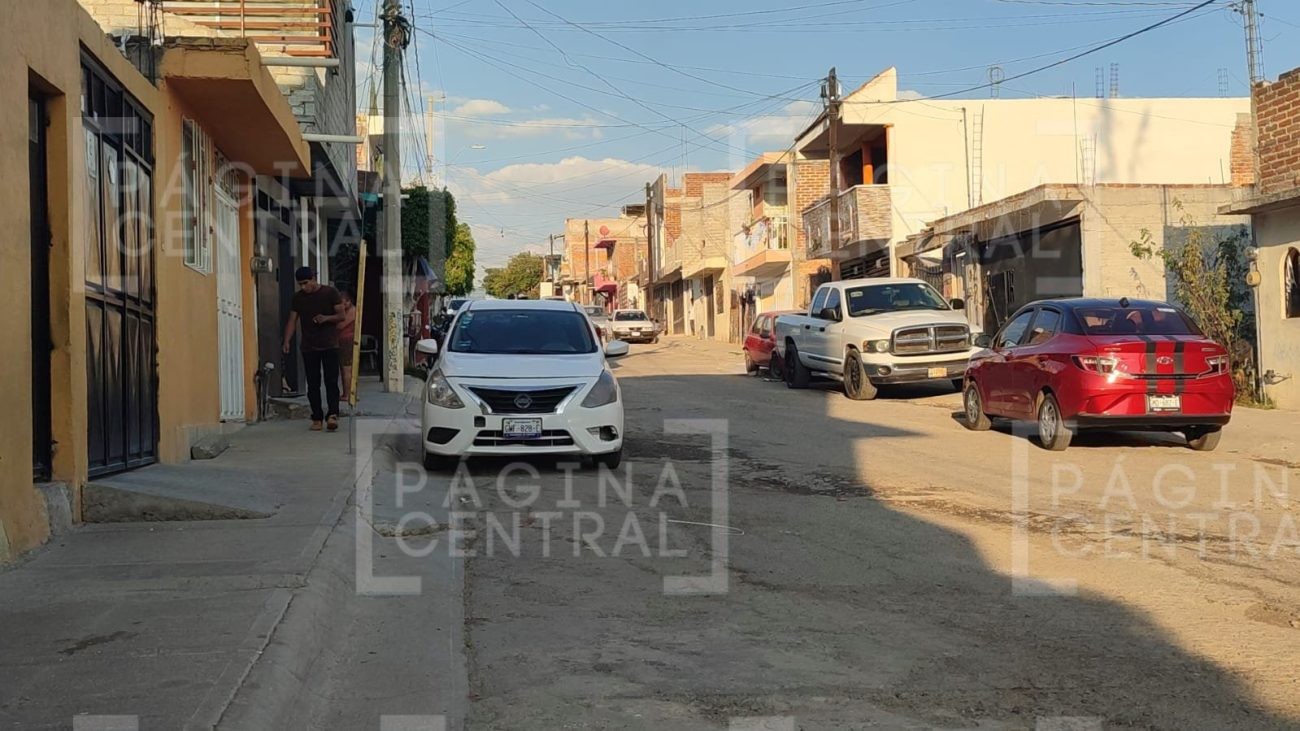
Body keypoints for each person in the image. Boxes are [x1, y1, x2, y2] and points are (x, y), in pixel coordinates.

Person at [282, 267, 345, 432]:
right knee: (313, 383)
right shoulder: (298, 298)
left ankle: (333, 414)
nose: (303, 287)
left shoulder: (330, 292)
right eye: (300, 284)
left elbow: (341, 316)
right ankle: (316, 417)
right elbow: (292, 320)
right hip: (309, 346)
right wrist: (286, 341)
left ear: (313, 279)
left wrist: (326, 318)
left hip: (330, 344)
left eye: (305, 283)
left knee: (331, 381)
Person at [336, 291, 357, 403]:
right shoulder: (348, 310)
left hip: (347, 340)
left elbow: (340, 325)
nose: (342, 306)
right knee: (344, 368)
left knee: (346, 369)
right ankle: (347, 392)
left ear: (349, 302)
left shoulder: (352, 311)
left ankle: (347, 394)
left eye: (344, 304)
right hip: (343, 341)